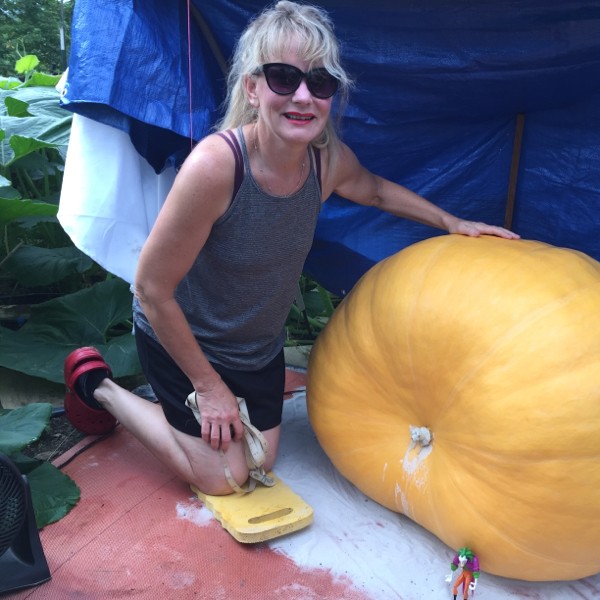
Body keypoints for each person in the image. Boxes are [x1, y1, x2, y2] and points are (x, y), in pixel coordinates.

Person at [62, 0, 519, 497]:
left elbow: (376, 191)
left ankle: (187, 415)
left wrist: (452, 222)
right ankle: (99, 386)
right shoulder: (217, 167)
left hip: (255, 349)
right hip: (184, 340)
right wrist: (209, 388)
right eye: (283, 77)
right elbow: (152, 289)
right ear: (252, 88)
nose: (303, 96)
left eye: (320, 82)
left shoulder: (327, 163)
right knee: (224, 477)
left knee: (261, 459)